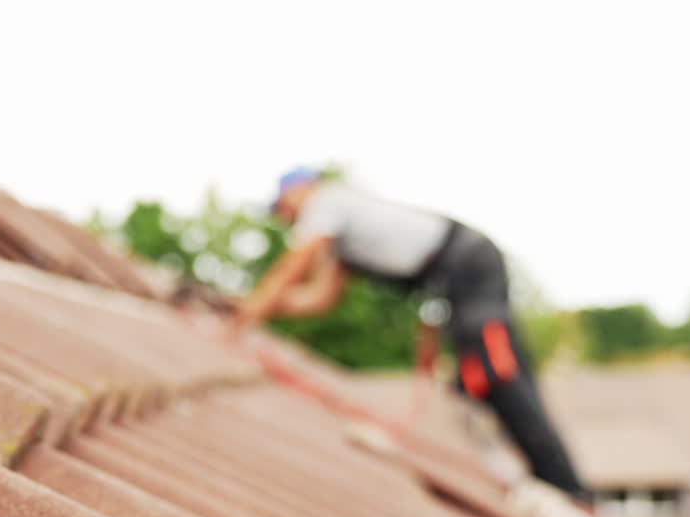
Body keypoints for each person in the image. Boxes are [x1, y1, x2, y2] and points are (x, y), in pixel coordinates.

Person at [233, 166, 587, 500]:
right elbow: (319, 298)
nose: (284, 217)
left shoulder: (326, 202)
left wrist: (247, 314)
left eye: (282, 207)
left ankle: (562, 484)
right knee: (486, 371)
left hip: (468, 263)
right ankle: (553, 476)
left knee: (493, 371)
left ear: (299, 190)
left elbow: (291, 268)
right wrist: (255, 305)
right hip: (459, 274)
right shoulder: (337, 235)